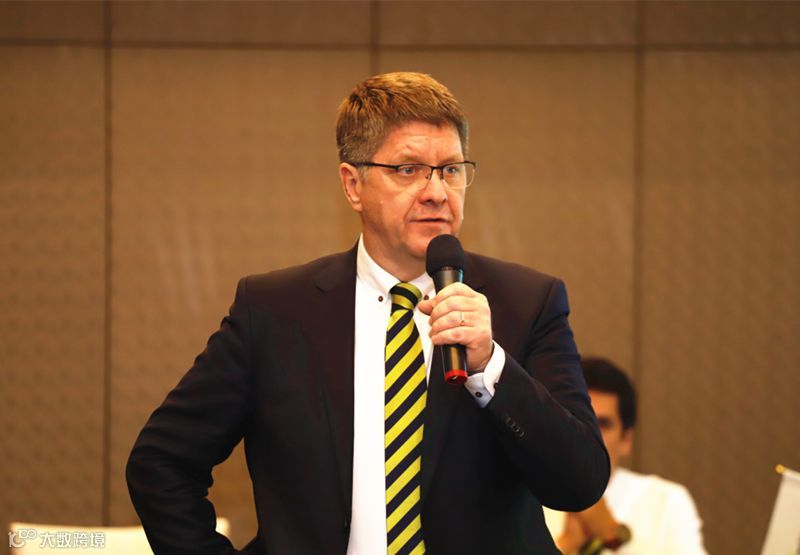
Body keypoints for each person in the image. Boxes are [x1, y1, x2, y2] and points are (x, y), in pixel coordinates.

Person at [126, 71, 609, 555]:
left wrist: (491, 366)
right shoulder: (274, 311)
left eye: (450, 170)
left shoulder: (527, 302)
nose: (437, 192)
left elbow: (580, 482)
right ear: (352, 184)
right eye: (408, 170)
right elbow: (161, 463)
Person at [545, 357, 707, 554]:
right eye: (577, 420)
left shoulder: (667, 502)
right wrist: (567, 546)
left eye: (603, 425)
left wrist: (613, 537)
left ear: (626, 440)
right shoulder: (527, 502)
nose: (590, 436)